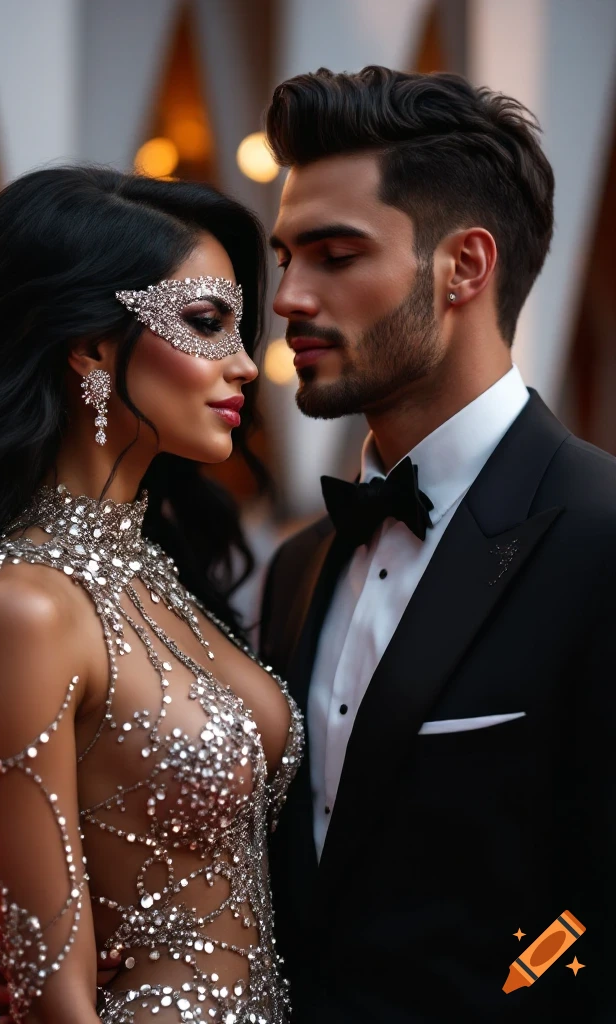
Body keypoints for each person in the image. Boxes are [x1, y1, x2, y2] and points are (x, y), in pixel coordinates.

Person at [0, 167, 303, 1024]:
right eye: (207, 323)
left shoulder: (158, 573)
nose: (246, 363)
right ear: (89, 347)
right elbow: (52, 999)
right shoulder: (25, 609)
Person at [259, 66, 616, 1022]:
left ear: (463, 267)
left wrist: (520, 992)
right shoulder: (298, 568)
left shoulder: (603, 535)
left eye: (334, 254)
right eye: (284, 257)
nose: (288, 297)